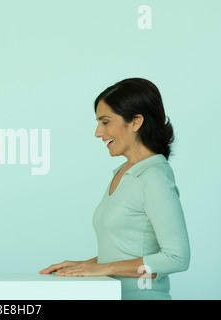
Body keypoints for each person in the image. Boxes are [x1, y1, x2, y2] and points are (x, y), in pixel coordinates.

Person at [39, 78, 190, 300]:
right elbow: (127, 251)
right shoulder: (123, 173)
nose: (98, 132)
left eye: (105, 122)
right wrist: (86, 265)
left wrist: (103, 269)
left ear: (136, 122)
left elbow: (177, 257)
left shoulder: (154, 177)